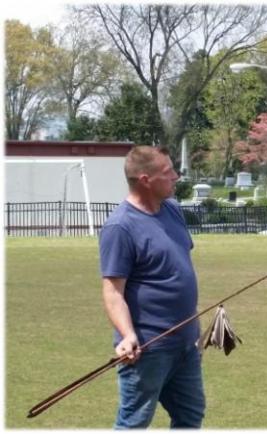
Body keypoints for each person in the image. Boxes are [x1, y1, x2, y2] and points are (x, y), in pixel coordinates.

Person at [99, 145, 205, 429]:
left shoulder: (171, 210)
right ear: (145, 179)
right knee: (134, 423)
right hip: (149, 348)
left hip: (185, 343)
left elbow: (180, 270)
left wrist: (196, 325)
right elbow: (112, 292)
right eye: (167, 171)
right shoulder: (120, 227)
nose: (176, 176)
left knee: (190, 416)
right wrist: (128, 335)